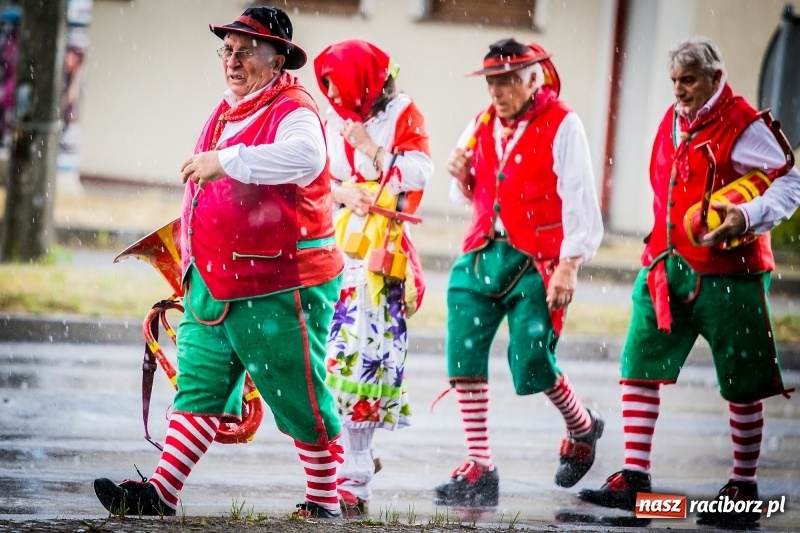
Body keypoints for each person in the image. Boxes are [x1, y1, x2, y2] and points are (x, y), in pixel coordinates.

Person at [93, 6, 346, 520]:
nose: (233, 60)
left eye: (246, 50)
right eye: (228, 50)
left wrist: (227, 160)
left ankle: (326, 499)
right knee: (200, 386)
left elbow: (309, 160)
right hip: (213, 279)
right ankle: (161, 494)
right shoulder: (228, 107)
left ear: (278, 60)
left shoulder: (295, 108)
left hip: (280, 283)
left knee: (298, 393)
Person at [577, 37, 800, 529]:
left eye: (690, 80)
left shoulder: (744, 125)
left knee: (742, 384)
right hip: (666, 265)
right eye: (675, 81)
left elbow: (791, 181)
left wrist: (745, 216)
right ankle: (635, 480)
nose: (679, 90)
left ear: (716, 79)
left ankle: (743, 488)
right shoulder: (674, 119)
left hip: (730, 275)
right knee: (639, 363)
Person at [433, 38, 605, 508]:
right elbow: (467, 195)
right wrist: (460, 175)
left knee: (531, 359)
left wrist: (569, 264)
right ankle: (480, 468)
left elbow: (581, 201)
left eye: (507, 79)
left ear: (535, 78)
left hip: (537, 258)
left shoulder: (563, 123)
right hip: (482, 252)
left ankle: (582, 426)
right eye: (492, 81)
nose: (497, 90)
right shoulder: (481, 123)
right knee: (462, 352)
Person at [313, 39, 433, 516]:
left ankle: (356, 481)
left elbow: (419, 173)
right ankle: (347, 464)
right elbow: (318, 177)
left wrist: (372, 149)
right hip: (337, 247)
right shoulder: (331, 116)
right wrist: (346, 193)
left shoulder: (404, 113)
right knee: (332, 359)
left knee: (364, 356)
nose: (337, 103)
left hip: (381, 257)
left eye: (342, 92)